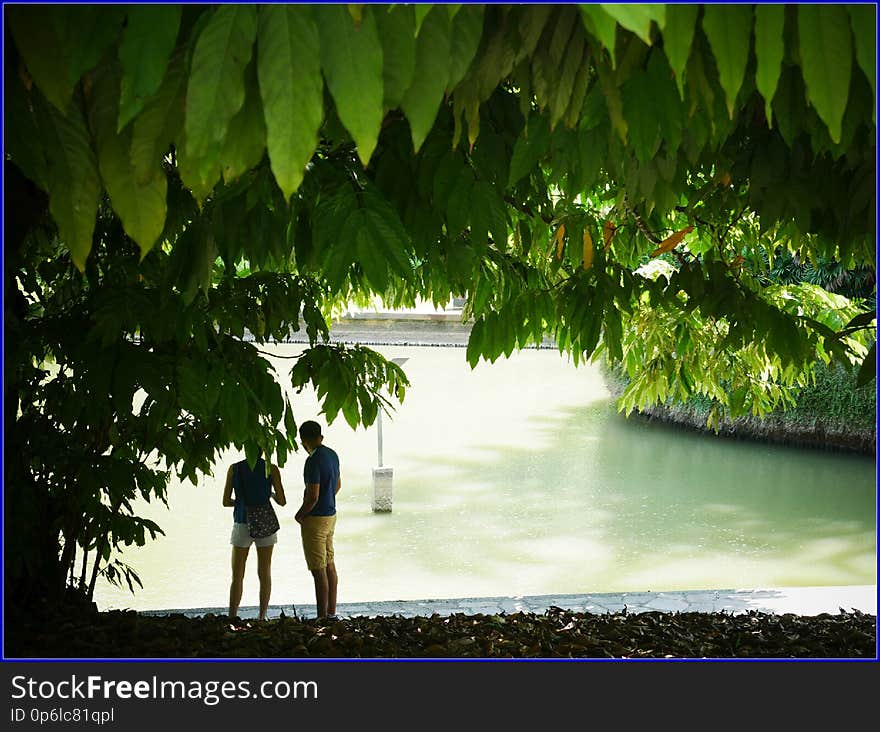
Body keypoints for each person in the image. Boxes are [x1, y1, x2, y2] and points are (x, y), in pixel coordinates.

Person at [222, 452, 286, 621]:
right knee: (265, 573)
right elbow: (282, 500)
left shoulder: (234, 469)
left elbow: (226, 501)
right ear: (263, 450)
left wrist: (242, 502)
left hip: (242, 523)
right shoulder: (271, 468)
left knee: (237, 575)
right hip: (265, 523)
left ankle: (232, 616)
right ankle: (262, 616)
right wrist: (269, 495)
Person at [294, 420, 341, 620]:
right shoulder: (332, 454)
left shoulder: (312, 461)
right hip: (331, 515)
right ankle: (331, 613)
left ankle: (321, 617)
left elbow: (312, 496)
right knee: (329, 563)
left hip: (315, 519)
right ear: (320, 437)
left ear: (303, 441)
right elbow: (337, 486)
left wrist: (300, 514)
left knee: (318, 569)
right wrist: (327, 501)